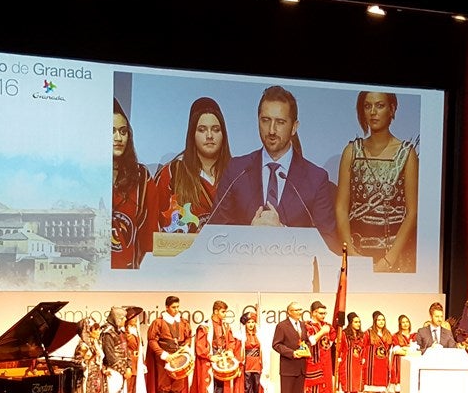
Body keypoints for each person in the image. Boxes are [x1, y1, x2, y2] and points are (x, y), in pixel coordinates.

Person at [209, 85, 339, 251]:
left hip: (294, 275)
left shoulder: (316, 178)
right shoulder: (237, 170)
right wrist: (248, 235)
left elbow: (328, 242)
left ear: (294, 127)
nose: (271, 130)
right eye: (266, 120)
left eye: (280, 122)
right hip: (242, 272)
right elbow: (214, 232)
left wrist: (283, 234)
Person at [335, 91, 419, 272]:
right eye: (367, 106)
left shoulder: (407, 154)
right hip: (357, 253)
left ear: (392, 109)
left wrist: (390, 259)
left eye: (380, 105)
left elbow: (412, 212)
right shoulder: (351, 151)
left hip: (395, 257)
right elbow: (341, 208)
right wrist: (350, 252)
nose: (373, 112)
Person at [153, 97, 232, 234]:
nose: (209, 135)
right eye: (202, 130)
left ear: (223, 134)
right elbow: (153, 226)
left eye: (215, 129)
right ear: (192, 134)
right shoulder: (171, 174)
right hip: (183, 254)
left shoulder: (238, 174)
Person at [111, 98, 156, 269]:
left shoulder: (142, 178)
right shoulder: (83, 176)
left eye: (123, 132)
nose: (118, 138)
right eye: (112, 131)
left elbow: (149, 236)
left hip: (129, 275)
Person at [147, 295, 194, 393]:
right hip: (164, 358)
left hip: (179, 356)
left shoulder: (184, 322)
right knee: (164, 385)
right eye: (173, 307)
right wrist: (163, 354)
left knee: (178, 385)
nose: (176, 309)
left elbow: (189, 337)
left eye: (178, 307)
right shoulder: (159, 322)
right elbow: (152, 341)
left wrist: (186, 346)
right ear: (167, 307)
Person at [194, 301, 239, 393]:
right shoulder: (205, 326)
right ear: (215, 311)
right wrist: (209, 356)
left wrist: (230, 350)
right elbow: (200, 346)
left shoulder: (226, 327)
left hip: (222, 357)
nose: (225, 314)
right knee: (208, 386)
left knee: (220, 385)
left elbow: (231, 341)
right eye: (223, 312)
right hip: (209, 359)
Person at [274, 302, 312, 393]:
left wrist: (306, 348)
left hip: (301, 366)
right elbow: (276, 344)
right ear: (289, 312)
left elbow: (305, 341)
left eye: (300, 309)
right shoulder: (281, 326)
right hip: (288, 366)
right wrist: (292, 353)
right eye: (296, 310)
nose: (299, 312)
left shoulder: (302, 325)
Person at [99, 306, 132, 393]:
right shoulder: (107, 333)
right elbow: (109, 356)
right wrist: (123, 370)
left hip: (121, 371)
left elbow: (126, 351)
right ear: (117, 318)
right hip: (112, 371)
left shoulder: (119, 332)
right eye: (123, 317)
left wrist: (129, 367)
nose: (125, 320)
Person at [303, 300, 336, 393]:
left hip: (324, 361)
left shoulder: (327, 325)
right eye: (321, 313)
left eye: (324, 313)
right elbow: (309, 341)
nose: (323, 316)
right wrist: (322, 332)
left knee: (322, 387)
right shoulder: (307, 325)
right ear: (314, 313)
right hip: (312, 360)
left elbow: (332, 340)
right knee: (310, 387)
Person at [362, 311, 393, 393]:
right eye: (379, 320)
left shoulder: (387, 333)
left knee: (379, 388)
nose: (381, 322)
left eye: (383, 320)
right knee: (372, 388)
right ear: (375, 321)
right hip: (372, 364)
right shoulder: (368, 333)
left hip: (382, 365)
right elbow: (363, 346)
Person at [336, 312, 366, 393]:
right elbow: (339, 349)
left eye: (359, 322)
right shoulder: (343, 334)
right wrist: (338, 360)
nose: (358, 324)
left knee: (354, 388)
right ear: (350, 322)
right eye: (356, 322)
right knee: (344, 388)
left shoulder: (361, 335)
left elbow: (364, 349)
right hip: (346, 364)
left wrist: (363, 359)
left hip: (356, 365)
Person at [238, 311, 266, 393]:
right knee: (247, 389)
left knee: (256, 388)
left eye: (253, 322)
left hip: (257, 364)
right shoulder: (241, 336)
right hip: (247, 364)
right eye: (249, 322)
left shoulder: (259, 335)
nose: (251, 324)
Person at [389, 314, 414, 393]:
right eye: (403, 322)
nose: (405, 324)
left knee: (409, 390)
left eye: (407, 321)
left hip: (411, 365)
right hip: (399, 366)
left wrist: (404, 348)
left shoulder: (414, 336)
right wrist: (409, 350)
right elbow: (397, 351)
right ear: (399, 324)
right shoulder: (396, 336)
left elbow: (417, 350)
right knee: (399, 390)